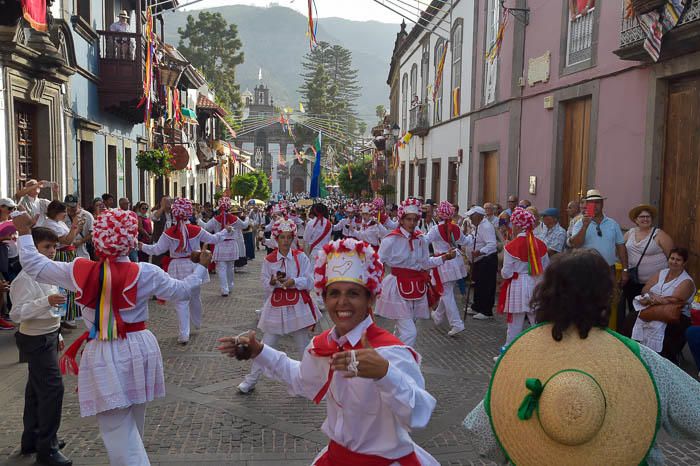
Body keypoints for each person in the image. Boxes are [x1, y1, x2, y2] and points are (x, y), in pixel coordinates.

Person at [13, 209, 213, 466]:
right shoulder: (146, 273)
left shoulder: (79, 270)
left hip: (106, 351)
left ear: (98, 240)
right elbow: (184, 291)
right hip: (140, 346)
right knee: (132, 426)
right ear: (130, 240)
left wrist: (25, 234)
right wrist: (201, 267)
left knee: (118, 430)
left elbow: (35, 265)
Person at [463, 249, 700, 466]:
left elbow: (481, 435)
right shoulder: (641, 358)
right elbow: (694, 414)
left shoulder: (518, 356)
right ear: (606, 297)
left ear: (546, 293)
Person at [218, 237, 439, 465]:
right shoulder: (324, 344)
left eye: (353, 293)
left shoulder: (391, 352)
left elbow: (417, 416)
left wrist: (385, 374)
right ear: (323, 298)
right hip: (336, 457)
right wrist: (260, 351)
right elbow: (302, 379)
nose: (342, 302)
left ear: (370, 299)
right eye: (334, 294)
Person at [9, 227, 70, 466]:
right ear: (31, 250)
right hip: (35, 339)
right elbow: (16, 314)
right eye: (46, 247)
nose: (52, 252)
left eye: (54, 247)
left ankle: (34, 439)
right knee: (53, 389)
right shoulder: (25, 278)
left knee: (36, 390)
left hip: (48, 335)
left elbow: (52, 308)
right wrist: (45, 302)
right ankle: (48, 447)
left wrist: (57, 331)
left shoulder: (48, 273)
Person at [237, 218, 318, 394]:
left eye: (289, 237)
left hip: (297, 306)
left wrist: (294, 281)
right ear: (276, 238)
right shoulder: (269, 259)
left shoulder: (300, 257)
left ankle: (307, 383)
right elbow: (264, 284)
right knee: (265, 346)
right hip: (276, 306)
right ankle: (251, 380)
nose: (286, 241)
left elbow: (310, 281)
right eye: (282, 237)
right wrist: (273, 282)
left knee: (303, 347)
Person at [139, 198, 233, 344]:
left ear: (175, 214)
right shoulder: (196, 230)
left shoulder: (169, 232)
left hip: (176, 266)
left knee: (180, 300)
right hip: (194, 265)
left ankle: (184, 334)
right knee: (195, 296)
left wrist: (141, 246)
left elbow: (156, 250)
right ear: (189, 214)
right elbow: (214, 239)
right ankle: (196, 322)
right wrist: (225, 232)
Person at [375, 199, 456, 347]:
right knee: (410, 332)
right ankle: (406, 362)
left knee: (405, 327)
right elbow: (378, 262)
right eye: (408, 219)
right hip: (397, 287)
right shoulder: (391, 239)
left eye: (415, 219)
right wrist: (372, 284)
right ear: (402, 219)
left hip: (417, 286)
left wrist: (444, 257)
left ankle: (394, 356)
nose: (412, 223)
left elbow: (425, 263)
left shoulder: (421, 239)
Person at [629, 248, 695, 365]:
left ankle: (662, 362)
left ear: (684, 263)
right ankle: (634, 353)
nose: (674, 262)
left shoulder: (687, 281)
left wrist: (656, 299)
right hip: (653, 308)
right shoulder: (662, 273)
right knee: (631, 319)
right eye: (672, 258)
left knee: (666, 330)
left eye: (678, 260)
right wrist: (652, 296)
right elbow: (645, 290)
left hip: (676, 315)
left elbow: (676, 300)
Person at [496, 208, 549, 356]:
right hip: (536, 283)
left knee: (514, 323)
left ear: (518, 226)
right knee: (536, 321)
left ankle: (508, 353)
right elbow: (546, 268)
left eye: (513, 224)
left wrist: (506, 273)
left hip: (517, 285)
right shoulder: (541, 244)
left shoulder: (510, 246)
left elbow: (506, 273)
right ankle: (542, 352)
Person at [622, 204, 673, 322]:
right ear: (635, 220)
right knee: (633, 311)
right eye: (642, 217)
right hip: (633, 281)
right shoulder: (629, 233)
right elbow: (620, 251)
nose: (645, 219)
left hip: (653, 285)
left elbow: (671, 257)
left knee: (650, 313)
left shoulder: (659, 234)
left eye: (648, 216)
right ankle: (634, 336)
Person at [426, 201, 469, 336]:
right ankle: (438, 316)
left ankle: (456, 323)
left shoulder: (435, 229)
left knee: (446, 293)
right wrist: (474, 237)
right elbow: (465, 241)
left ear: (439, 215)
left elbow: (425, 241)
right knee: (447, 291)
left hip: (443, 262)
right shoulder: (455, 228)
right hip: (455, 261)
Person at [570, 189, 629, 286]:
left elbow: (621, 248)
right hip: (586, 270)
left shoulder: (613, 224)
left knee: (609, 299)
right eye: (591, 203)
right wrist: (585, 226)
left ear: (602, 204)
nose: (594, 206)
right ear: (587, 205)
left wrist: (625, 270)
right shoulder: (579, 223)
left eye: (597, 202)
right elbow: (576, 245)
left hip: (608, 269)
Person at [43, 201, 84, 329]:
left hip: (68, 254)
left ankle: (68, 315)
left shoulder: (58, 223)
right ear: (56, 212)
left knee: (71, 284)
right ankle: (61, 316)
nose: (65, 214)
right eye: (63, 212)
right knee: (63, 285)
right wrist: (74, 226)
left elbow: (71, 238)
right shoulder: (50, 224)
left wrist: (76, 228)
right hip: (61, 255)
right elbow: (66, 240)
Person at [201, 197, 249, 297]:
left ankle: (224, 289)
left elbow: (206, 227)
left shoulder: (215, 219)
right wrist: (247, 217)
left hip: (220, 245)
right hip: (232, 245)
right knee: (230, 267)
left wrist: (198, 220)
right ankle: (230, 286)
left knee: (221, 268)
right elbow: (244, 225)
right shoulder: (234, 218)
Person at [464, 206, 498, 320]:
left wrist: (480, 251)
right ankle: (477, 307)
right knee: (478, 285)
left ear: (478, 216)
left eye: (471, 216)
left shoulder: (486, 227)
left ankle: (486, 311)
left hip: (487, 259)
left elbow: (492, 244)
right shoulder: (477, 226)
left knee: (486, 286)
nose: (470, 218)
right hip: (479, 260)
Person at [63, 195, 93, 260]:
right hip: (66, 254)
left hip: (82, 252)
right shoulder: (63, 216)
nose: (69, 208)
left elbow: (93, 232)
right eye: (67, 206)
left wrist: (81, 241)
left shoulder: (87, 215)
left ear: (78, 204)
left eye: (73, 206)